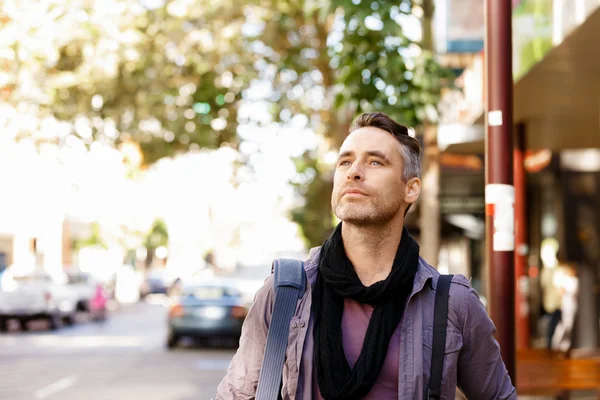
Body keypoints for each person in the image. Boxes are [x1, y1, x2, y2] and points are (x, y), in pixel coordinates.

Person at [216, 112, 516, 399]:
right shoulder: (285, 293)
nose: (354, 171)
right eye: (345, 161)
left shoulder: (453, 304)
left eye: (375, 162)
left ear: (410, 189)